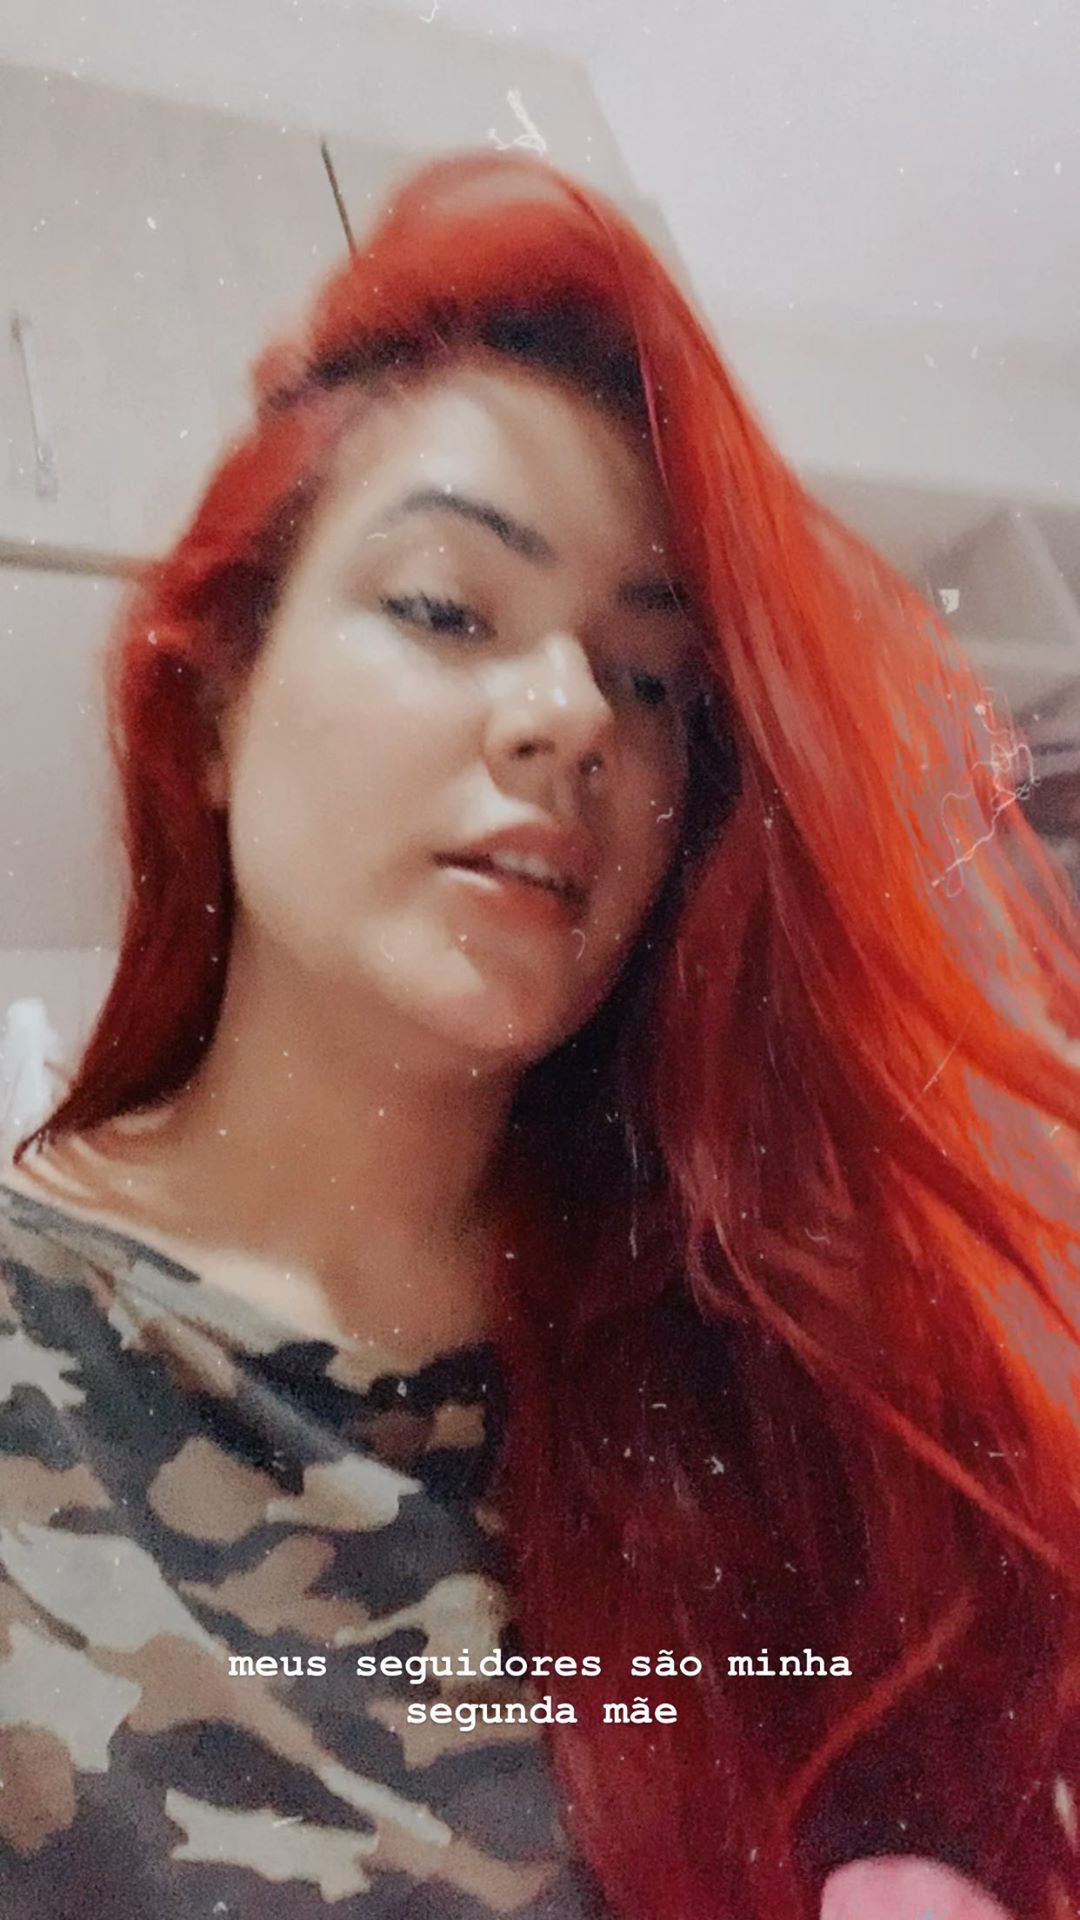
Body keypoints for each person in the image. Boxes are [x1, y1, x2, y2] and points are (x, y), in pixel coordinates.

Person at [0, 147, 1076, 1920]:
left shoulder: (766, 1391)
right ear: (212, 711)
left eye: (649, 681)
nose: (573, 717)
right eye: (446, 608)